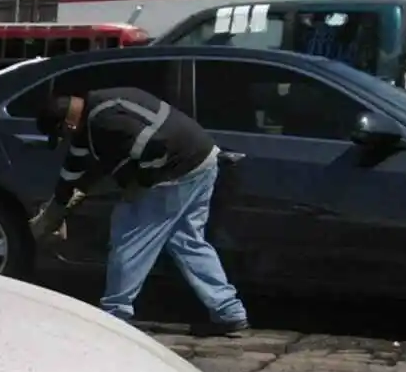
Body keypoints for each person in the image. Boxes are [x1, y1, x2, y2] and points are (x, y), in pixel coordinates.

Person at [31, 88, 250, 337]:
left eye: (60, 134)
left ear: (67, 124)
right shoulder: (97, 111)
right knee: (187, 241)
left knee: (130, 237)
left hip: (175, 170)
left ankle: (115, 314)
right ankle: (228, 312)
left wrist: (140, 182)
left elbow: (154, 147)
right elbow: (75, 165)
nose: (65, 140)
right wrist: (59, 204)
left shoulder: (105, 121)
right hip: (202, 159)